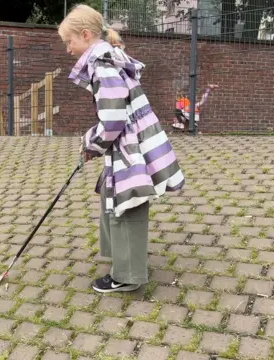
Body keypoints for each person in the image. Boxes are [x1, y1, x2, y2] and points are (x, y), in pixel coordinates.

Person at [59, 5, 185, 293]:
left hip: (129, 146)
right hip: (130, 142)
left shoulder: (102, 65)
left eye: (69, 41)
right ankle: (126, 261)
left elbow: (113, 119)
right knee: (113, 195)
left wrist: (92, 143)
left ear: (86, 35)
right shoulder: (107, 59)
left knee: (127, 202)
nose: (68, 49)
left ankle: (127, 275)